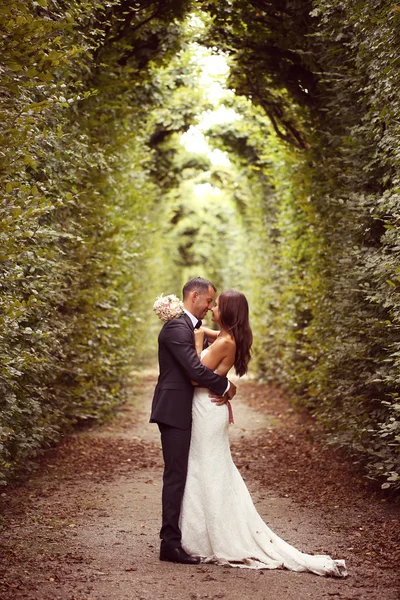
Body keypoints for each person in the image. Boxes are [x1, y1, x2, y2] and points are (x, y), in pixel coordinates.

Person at [180, 289, 348, 577]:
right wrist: (184, 320)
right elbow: (201, 328)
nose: (211, 308)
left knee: (207, 469)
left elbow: (196, 374)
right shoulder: (221, 337)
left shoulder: (225, 342)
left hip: (208, 410)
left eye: (217, 305)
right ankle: (199, 534)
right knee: (203, 468)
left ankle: (211, 538)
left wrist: (196, 343)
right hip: (206, 408)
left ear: (229, 312)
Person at [150, 277, 237, 565]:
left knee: (182, 474)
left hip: (182, 409)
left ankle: (180, 537)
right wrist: (225, 386)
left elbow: (218, 338)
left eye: (214, 303)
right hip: (173, 409)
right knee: (175, 476)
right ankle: (169, 544)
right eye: (209, 301)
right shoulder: (177, 327)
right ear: (195, 296)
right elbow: (194, 369)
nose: (210, 306)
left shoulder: (190, 326)